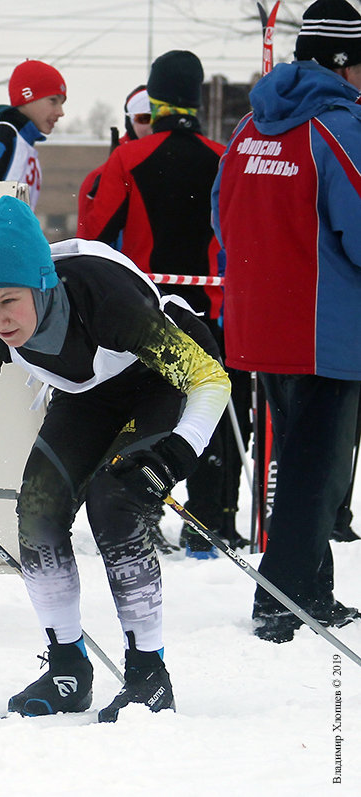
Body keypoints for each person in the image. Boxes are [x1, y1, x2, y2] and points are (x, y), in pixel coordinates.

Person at [0, 195, 231, 721]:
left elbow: (209, 380)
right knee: (37, 511)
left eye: (7, 302)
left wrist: (175, 454)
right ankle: (68, 669)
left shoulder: (103, 296)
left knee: (115, 501)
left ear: (42, 284)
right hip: (87, 394)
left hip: (159, 382)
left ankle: (148, 675)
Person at [211, 0, 361, 643]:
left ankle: (312, 593)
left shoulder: (251, 128)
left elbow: (221, 217)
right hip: (327, 329)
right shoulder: (341, 129)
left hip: (261, 326)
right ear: (340, 63)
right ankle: (279, 600)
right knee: (317, 471)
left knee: (302, 462)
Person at [82, 50, 250, 556]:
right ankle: (211, 526)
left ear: (152, 100)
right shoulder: (225, 156)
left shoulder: (128, 158)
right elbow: (242, 233)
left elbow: (93, 238)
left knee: (152, 412)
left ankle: (140, 515)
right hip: (214, 308)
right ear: (196, 99)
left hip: (148, 310)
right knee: (216, 410)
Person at [0, 59, 67, 209]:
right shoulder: (1, 136)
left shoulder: (24, 145)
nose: (60, 112)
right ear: (28, 97)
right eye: (53, 101)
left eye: (62, 103)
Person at [77, 84, 152, 238]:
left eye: (160, 118)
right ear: (130, 121)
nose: (152, 126)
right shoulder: (99, 177)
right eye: (144, 118)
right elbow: (87, 240)